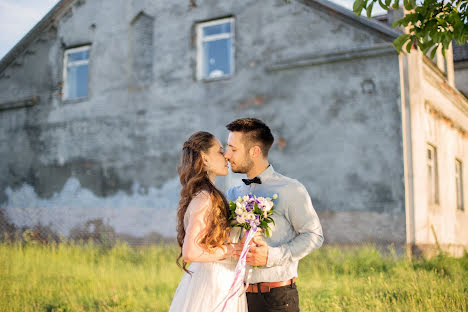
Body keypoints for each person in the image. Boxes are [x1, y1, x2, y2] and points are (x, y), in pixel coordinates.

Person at [224, 118, 324, 312]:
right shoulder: (233, 193)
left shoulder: (291, 189)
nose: (227, 155)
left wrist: (271, 255)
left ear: (254, 151)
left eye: (233, 149)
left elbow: (314, 236)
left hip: (277, 299)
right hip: (238, 298)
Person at [169, 131, 248, 312]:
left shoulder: (207, 195)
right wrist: (229, 250)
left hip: (219, 279)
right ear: (205, 159)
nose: (226, 156)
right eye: (220, 152)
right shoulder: (205, 198)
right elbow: (190, 252)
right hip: (213, 283)